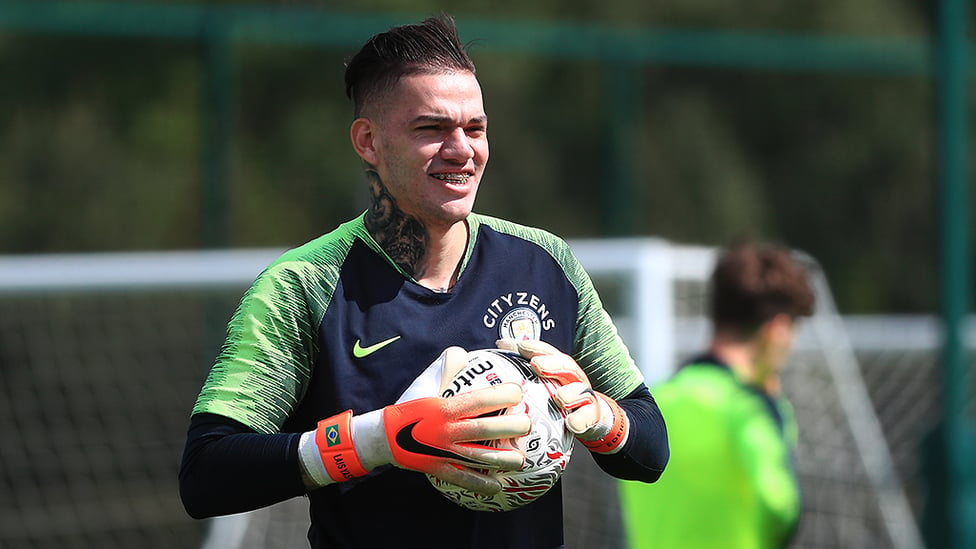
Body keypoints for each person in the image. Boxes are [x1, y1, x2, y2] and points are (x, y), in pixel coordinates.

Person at [179, 14, 668, 549]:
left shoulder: (545, 263)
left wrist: (599, 415)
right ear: (368, 141)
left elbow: (651, 446)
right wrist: (383, 438)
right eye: (432, 129)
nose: (462, 150)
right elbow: (207, 475)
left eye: (475, 128)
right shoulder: (304, 286)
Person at [619, 240, 815, 549]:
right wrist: (771, 409)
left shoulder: (653, 404)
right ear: (776, 330)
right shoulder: (750, 409)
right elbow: (781, 509)